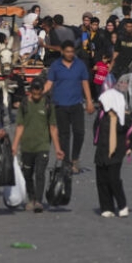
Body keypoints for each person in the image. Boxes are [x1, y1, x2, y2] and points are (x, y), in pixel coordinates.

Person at [11, 80, 64, 212]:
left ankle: (39, 201)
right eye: (34, 94)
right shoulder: (24, 104)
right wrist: (14, 145)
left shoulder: (47, 105)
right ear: (30, 92)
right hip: (27, 146)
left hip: (43, 145)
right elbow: (20, 126)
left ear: (42, 92)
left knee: (40, 173)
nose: (36, 97)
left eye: (38, 94)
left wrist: (57, 148)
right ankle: (31, 198)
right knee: (27, 174)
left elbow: (53, 127)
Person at [44, 41, 95, 174]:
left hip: (76, 104)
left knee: (79, 133)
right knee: (64, 135)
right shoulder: (56, 66)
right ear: (62, 52)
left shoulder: (80, 65)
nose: (70, 54)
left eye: (72, 52)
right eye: (67, 52)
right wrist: (36, 96)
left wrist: (89, 101)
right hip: (60, 105)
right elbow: (49, 84)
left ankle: (75, 159)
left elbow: (85, 83)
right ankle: (66, 163)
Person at [94, 75, 132, 218]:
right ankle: (106, 207)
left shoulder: (122, 116)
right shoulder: (101, 115)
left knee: (113, 179)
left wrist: (131, 145)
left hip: (117, 151)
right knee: (101, 179)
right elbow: (96, 130)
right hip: (102, 150)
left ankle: (122, 204)